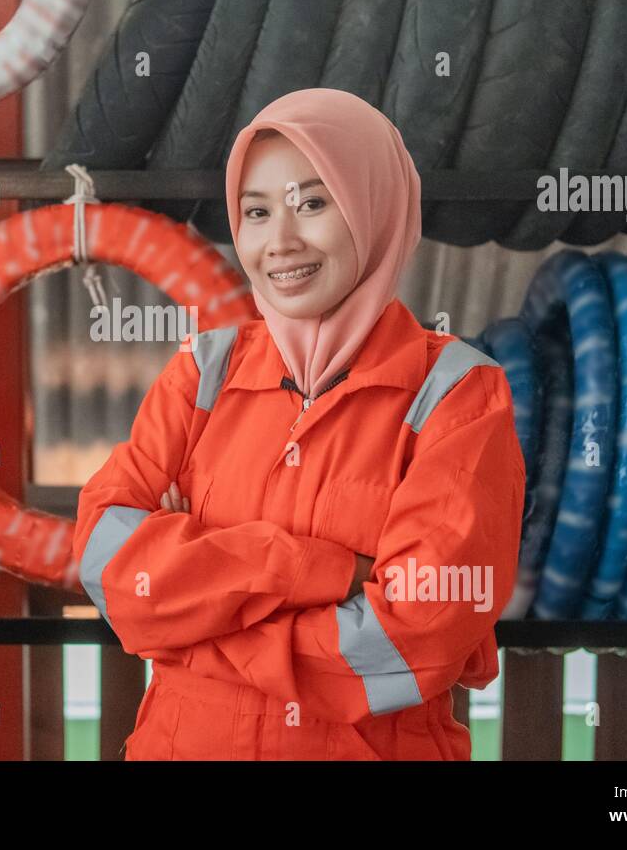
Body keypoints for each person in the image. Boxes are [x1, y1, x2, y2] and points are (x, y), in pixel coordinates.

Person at [73, 88, 526, 760]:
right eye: (256, 212)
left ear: (375, 208)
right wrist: (322, 573)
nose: (279, 242)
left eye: (313, 203)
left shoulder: (457, 393)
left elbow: (408, 641)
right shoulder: (203, 372)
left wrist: (194, 623)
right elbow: (109, 565)